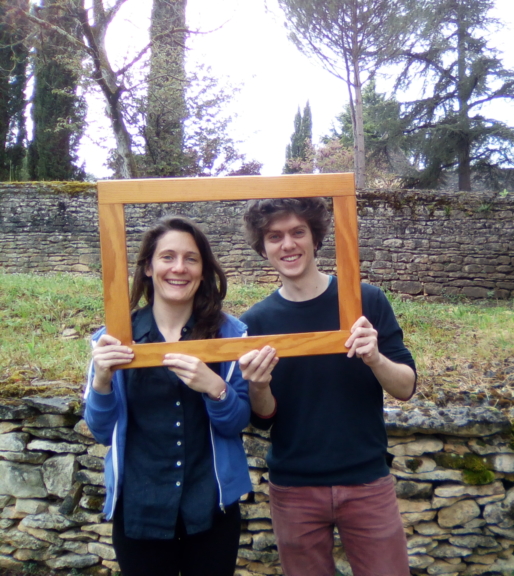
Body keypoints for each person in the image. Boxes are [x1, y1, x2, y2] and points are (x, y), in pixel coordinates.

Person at [238, 198, 417, 576]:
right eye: (275, 236)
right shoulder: (255, 322)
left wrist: (375, 358)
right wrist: (259, 386)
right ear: (263, 248)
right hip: (295, 490)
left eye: (297, 232)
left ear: (315, 237)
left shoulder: (366, 301)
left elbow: (405, 387)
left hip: (367, 481)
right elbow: (263, 419)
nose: (288, 244)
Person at [83, 216, 252, 576]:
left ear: (203, 271)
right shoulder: (113, 340)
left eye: (191, 259)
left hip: (210, 508)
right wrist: (101, 381)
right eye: (167, 257)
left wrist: (215, 388)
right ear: (148, 267)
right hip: (140, 508)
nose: (179, 268)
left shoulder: (229, 336)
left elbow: (236, 422)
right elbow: (101, 431)